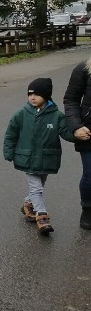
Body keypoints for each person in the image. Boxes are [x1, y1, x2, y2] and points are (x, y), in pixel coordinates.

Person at [4, 78, 76, 235]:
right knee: (36, 188)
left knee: (39, 186)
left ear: (46, 96)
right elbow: (11, 133)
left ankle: (28, 204)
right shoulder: (21, 114)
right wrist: (8, 151)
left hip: (47, 159)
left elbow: (66, 133)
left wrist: (77, 133)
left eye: (36, 94)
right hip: (28, 159)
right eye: (30, 94)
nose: (32, 97)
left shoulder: (57, 116)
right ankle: (42, 217)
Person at [63, 58, 91, 230]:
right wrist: (76, 126)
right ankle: (87, 209)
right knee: (90, 175)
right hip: (89, 133)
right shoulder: (84, 68)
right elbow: (71, 100)